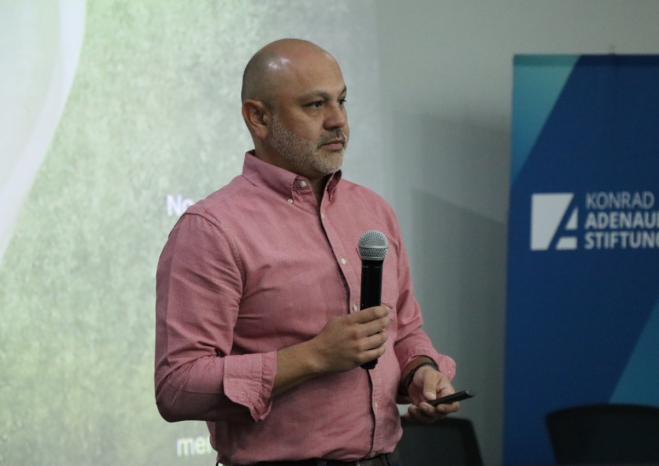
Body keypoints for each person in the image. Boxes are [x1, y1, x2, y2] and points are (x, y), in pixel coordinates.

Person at [155, 38, 460, 466]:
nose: (338, 120)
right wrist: (314, 356)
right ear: (258, 117)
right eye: (315, 105)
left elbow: (404, 331)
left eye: (341, 101)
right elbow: (177, 386)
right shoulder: (212, 229)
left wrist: (420, 372)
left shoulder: (373, 210)